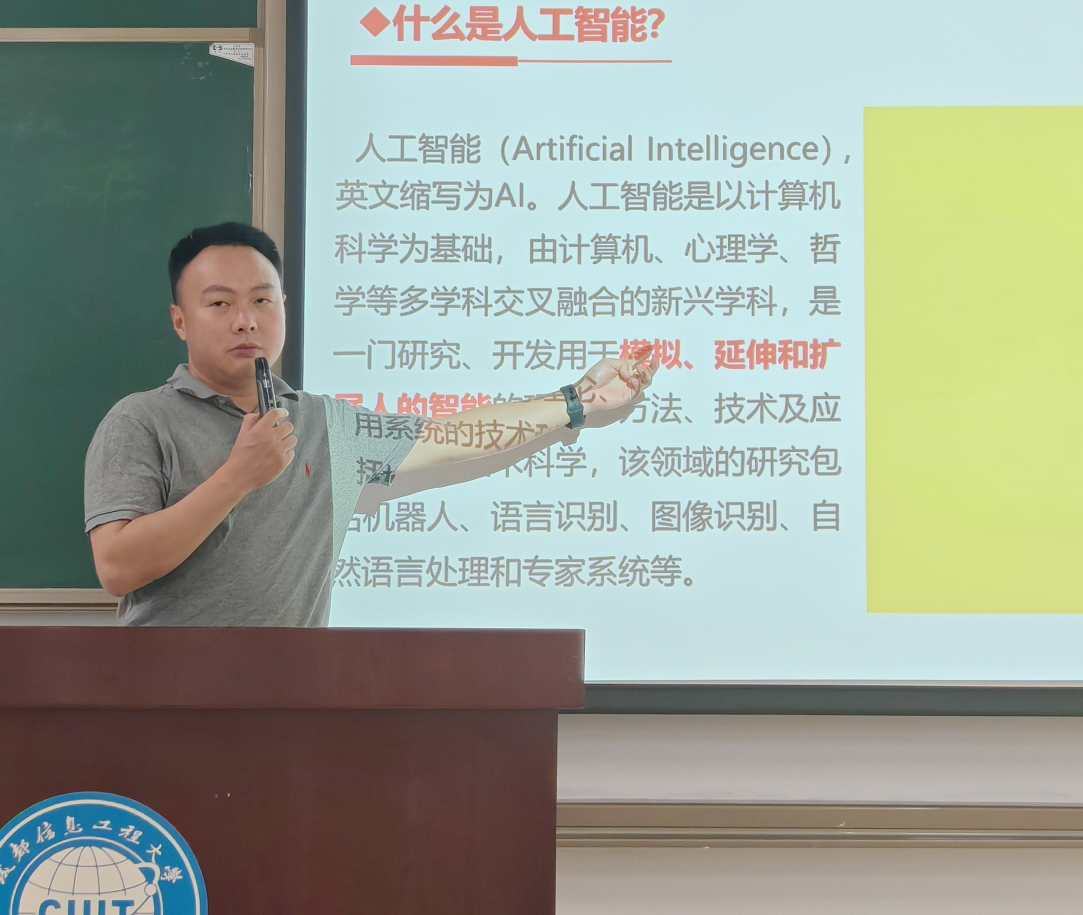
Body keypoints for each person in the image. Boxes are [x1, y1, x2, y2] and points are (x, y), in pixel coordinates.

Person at [83, 222, 656, 626]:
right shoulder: (141, 419)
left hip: (290, 706)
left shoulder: (324, 422)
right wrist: (237, 476)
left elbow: (453, 436)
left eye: (262, 301)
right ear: (180, 321)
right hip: (169, 705)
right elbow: (117, 567)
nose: (244, 321)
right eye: (218, 304)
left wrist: (577, 401)